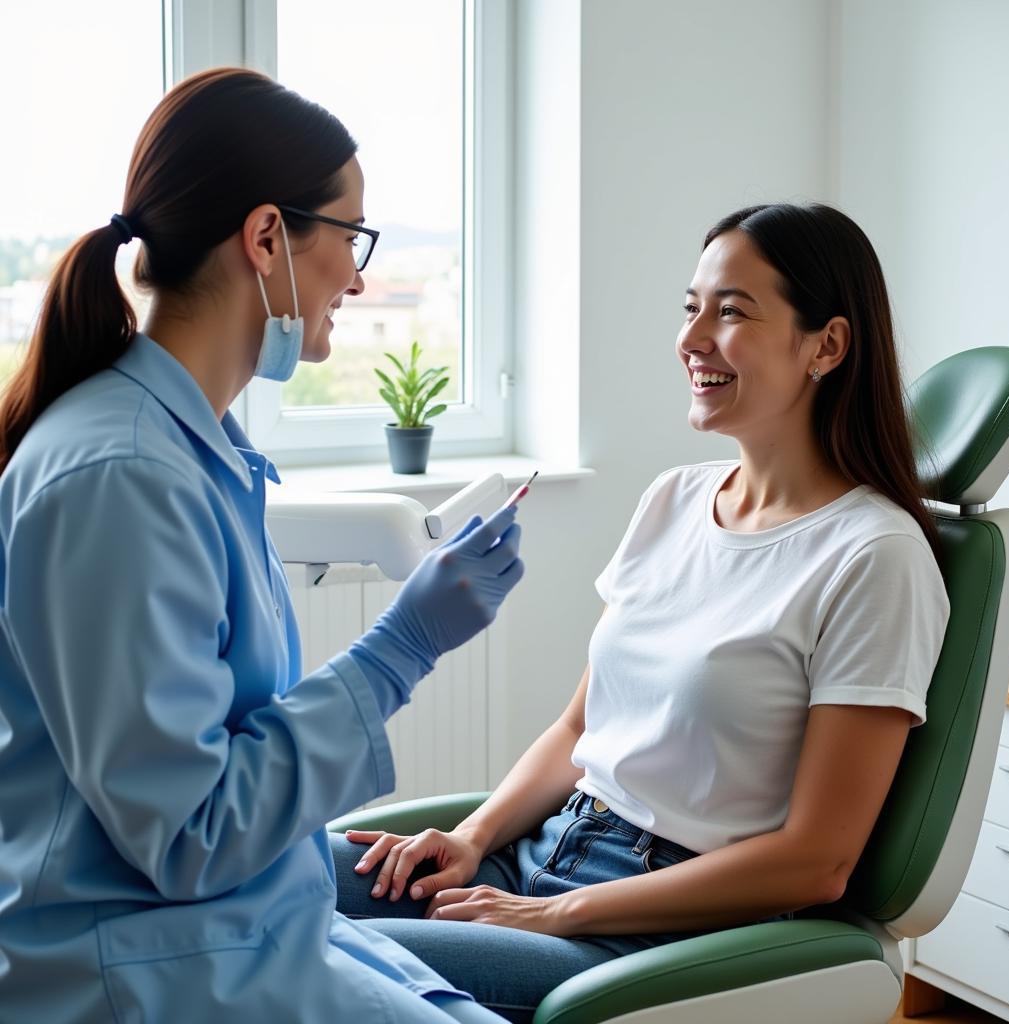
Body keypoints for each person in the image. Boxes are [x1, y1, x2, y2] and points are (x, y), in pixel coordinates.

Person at [330, 202, 951, 1023]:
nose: (692, 339)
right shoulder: (674, 499)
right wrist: (474, 838)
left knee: (294, 949)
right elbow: (579, 728)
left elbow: (817, 861)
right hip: (541, 854)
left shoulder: (874, 555)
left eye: (731, 311)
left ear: (826, 345)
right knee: (251, 879)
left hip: (650, 925)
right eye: (691, 307)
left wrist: (558, 913)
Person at [0, 68, 525, 1024]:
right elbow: (192, 832)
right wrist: (397, 652)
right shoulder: (119, 475)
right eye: (352, 239)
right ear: (268, 238)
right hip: (137, 966)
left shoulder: (191, 450)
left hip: (227, 928)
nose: (360, 279)